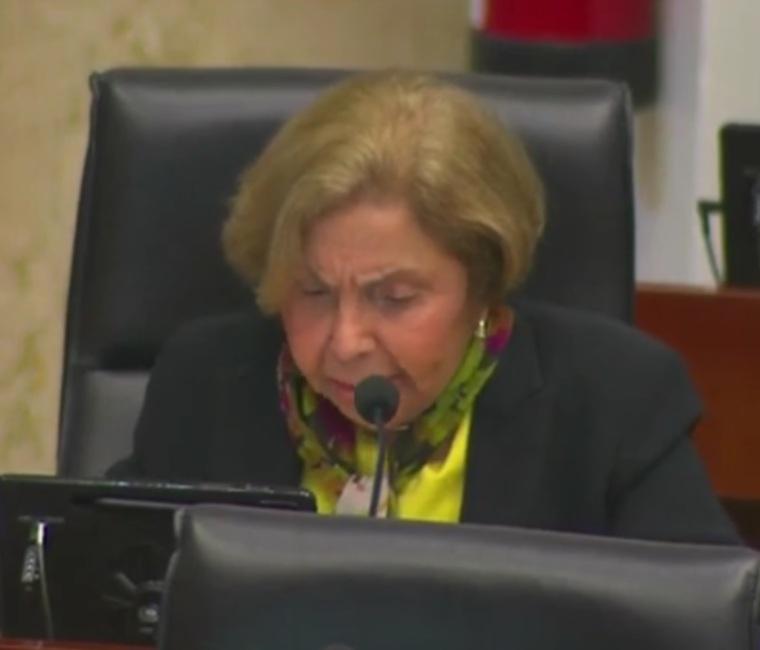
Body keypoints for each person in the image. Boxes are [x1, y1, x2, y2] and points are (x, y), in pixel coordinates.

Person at [108, 69, 739, 544]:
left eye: (395, 299)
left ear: (482, 284)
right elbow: (96, 599)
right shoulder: (205, 385)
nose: (346, 341)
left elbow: (710, 622)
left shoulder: (614, 404)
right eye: (314, 291)